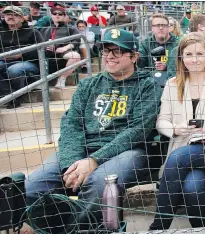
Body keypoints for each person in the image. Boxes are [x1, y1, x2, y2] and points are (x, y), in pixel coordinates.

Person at [25, 29, 161, 234]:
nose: (109, 56)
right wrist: (72, 163)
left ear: (134, 56)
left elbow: (137, 130)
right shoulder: (88, 84)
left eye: (117, 51)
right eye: (106, 51)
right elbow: (71, 124)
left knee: (100, 184)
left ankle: (77, 231)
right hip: (83, 150)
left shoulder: (148, 85)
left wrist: (95, 160)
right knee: (34, 186)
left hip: (130, 151)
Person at [149, 33, 205, 230]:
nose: (195, 59)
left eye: (200, 54)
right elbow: (161, 121)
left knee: (177, 159)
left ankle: (158, 227)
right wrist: (175, 129)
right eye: (189, 54)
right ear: (181, 58)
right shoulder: (173, 84)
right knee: (192, 186)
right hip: (185, 146)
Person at [0, 6, 44, 108]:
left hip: (28, 62)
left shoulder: (33, 32)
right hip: (4, 60)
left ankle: (15, 96)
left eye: (15, 14)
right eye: (8, 14)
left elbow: (42, 50)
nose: (10, 17)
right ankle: (12, 96)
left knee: (14, 70)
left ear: (21, 18)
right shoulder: (1, 32)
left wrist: (22, 54)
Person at [39, 6, 81, 89]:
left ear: (64, 16)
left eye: (60, 14)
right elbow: (39, 43)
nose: (57, 15)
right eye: (54, 14)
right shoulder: (44, 29)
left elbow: (77, 40)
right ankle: (38, 82)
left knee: (75, 56)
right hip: (45, 54)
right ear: (51, 15)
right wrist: (46, 46)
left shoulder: (71, 28)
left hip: (62, 54)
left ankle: (62, 79)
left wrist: (65, 48)